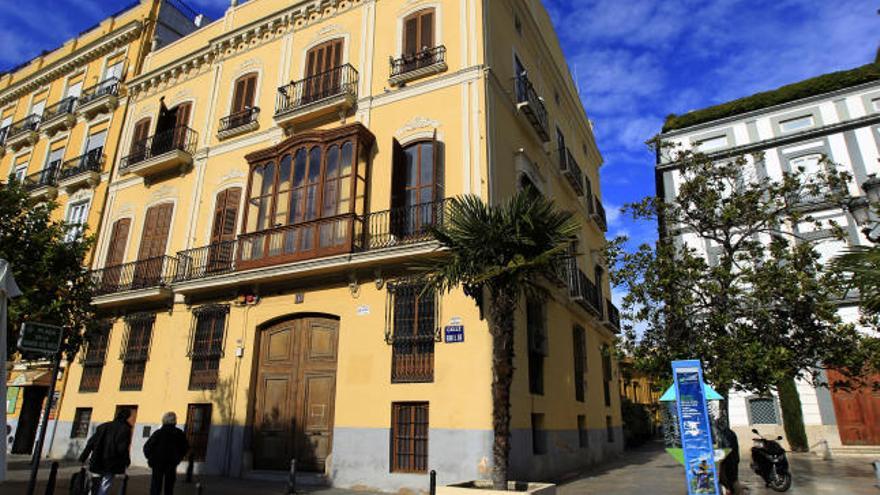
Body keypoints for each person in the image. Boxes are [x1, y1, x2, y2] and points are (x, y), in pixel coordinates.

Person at [78, 408, 133, 495]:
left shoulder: (103, 426)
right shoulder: (125, 429)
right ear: (127, 417)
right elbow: (122, 448)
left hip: (97, 459)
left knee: (94, 483)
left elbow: (91, 443)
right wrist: (126, 461)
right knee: (105, 484)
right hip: (111, 462)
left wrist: (83, 457)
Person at [143, 411, 189, 495]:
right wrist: (178, 458)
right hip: (171, 463)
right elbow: (185, 447)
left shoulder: (158, 433)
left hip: (158, 463)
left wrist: (151, 458)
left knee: (155, 487)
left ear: (164, 420)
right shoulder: (179, 433)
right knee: (169, 487)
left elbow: (147, 447)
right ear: (174, 421)